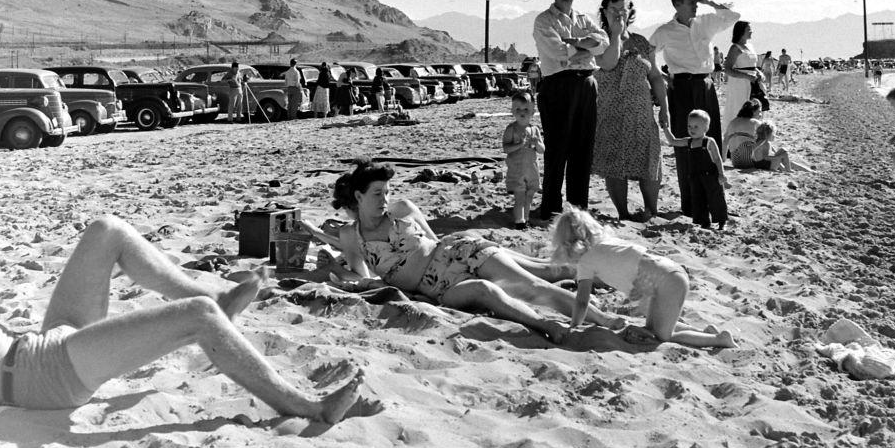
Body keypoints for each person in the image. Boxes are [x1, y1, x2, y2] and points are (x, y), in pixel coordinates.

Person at [0, 216, 381, 447]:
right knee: (197, 317)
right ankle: (311, 407)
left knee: (107, 231)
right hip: (42, 375)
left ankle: (219, 300)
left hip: (35, 344)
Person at [310, 160, 626, 343]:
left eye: (387, 192)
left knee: (532, 285)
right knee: (486, 290)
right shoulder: (352, 236)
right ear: (358, 196)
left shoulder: (403, 209)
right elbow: (359, 274)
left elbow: (435, 240)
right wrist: (333, 270)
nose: (384, 199)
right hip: (437, 287)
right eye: (377, 193)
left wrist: (455, 248)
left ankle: (606, 320)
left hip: (459, 252)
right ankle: (549, 327)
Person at [551, 208, 736, 349]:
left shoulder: (585, 261)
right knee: (653, 326)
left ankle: (718, 340)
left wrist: (574, 326)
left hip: (667, 283)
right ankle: (703, 332)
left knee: (664, 336)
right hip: (670, 273)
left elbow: (582, 301)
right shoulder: (607, 243)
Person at [649, 0, 738, 218]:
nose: (695, 4)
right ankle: (691, 205)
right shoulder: (665, 31)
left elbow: (732, 16)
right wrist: (665, 76)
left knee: (711, 143)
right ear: (677, 4)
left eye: (696, 0)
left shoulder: (705, 21)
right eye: (691, 1)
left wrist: (709, 0)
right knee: (687, 146)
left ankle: (716, 203)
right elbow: (646, 55)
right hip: (682, 88)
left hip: (706, 85)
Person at [532, 0, 608, 222]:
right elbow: (556, 51)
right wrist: (585, 46)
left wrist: (574, 42)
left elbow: (604, 42)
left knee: (582, 148)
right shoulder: (544, 21)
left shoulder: (584, 19)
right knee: (557, 148)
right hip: (558, 85)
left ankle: (578, 209)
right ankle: (551, 207)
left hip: (586, 84)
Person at [592, 0, 668, 222]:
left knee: (649, 158)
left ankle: (651, 210)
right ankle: (623, 213)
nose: (619, 14)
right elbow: (609, 63)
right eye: (613, 10)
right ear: (604, 11)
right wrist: (616, 34)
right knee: (614, 161)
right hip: (610, 111)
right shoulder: (597, 39)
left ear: (631, 11)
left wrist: (664, 107)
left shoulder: (641, 42)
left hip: (641, 111)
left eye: (623, 9)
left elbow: (655, 76)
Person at [664, 110, 728, 230]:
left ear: (705, 128)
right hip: (695, 176)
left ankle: (721, 221)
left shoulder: (709, 141)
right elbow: (673, 141)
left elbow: (717, 159)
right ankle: (704, 222)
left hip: (711, 176)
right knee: (698, 199)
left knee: (716, 198)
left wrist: (721, 174)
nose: (691, 129)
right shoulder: (689, 141)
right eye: (689, 126)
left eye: (696, 126)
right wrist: (665, 128)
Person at [502, 90, 546, 229]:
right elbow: (506, 148)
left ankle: (526, 218)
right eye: (518, 109)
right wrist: (519, 144)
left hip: (531, 169)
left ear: (533, 111)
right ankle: (519, 221)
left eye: (526, 109)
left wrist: (536, 143)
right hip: (517, 169)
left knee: (530, 195)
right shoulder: (511, 129)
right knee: (520, 195)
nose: (522, 112)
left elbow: (542, 150)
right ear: (512, 111)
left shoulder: (534, 129)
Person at [723, 21, 763, 139]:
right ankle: (733, 139)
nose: (751, 31)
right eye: (748, 29)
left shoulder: (750, 46)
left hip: (753, 82)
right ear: (741, 31)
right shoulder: (735, 48)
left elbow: (753, 64)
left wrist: (759, 72)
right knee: (738, 108)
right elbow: (728, 69)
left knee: (755, 108)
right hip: (739, 84)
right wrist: (746, 76)